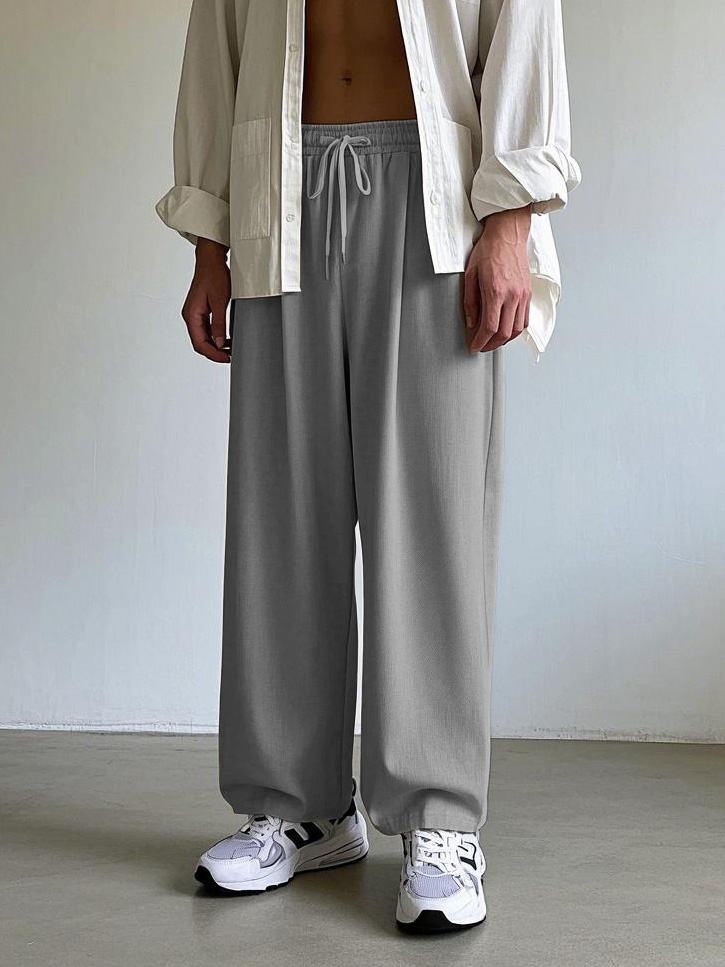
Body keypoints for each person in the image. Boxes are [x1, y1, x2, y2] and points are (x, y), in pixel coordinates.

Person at [155, 0, 581, 934]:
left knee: (429, 521)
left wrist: (510, 219)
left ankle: (438, 816)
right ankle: (299, 805)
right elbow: (216, 47)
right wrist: (209, 240)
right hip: (279, 183)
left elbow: (522, 27)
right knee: (281, 518)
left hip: (434, 192)